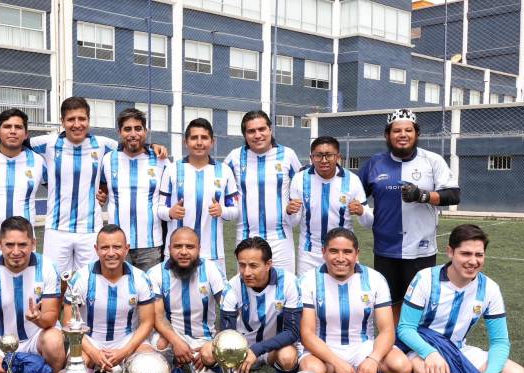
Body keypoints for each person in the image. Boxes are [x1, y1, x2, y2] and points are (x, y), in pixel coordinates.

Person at [0, 97, 167, 274]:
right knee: (53, 284)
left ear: (88, 120)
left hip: (90, 230)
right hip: (56, 229)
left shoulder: (104, 144)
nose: (77, 124)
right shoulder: (48, 143)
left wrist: (152, 146)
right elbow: (16, 140)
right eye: (71, 119)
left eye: (82, 119)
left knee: (88, 284)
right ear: (62, 122)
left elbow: (131, 144)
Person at [397, 224, 524, 373]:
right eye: (465, 253)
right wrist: (431, 353)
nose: (473, 261)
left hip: (458, 349)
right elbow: (405, 328)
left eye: (479, 255)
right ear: (450, 252)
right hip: (421, 348)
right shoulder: (425, 279)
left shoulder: (490, 289)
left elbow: (500, 342)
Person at [358, 108, 460, 321]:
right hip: (386, 250)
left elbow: (453, 194)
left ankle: (416, 348)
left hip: (421, 249)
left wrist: (422, 195)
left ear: (416, 134)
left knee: (419, 305)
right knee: (389, 303)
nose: (402, 134)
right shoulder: (375, 163)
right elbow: (355, 191)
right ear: (388, 135)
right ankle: (394, 346)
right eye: (396, 131)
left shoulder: (433, 161)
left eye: (408, 130)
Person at [299, 228, 411, 373]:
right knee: (313, 371)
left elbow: (387, 330)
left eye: (347, 252)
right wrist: (337, 363)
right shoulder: (308, 280)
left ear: (357, 254)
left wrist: (373, 359)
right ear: (323, 252)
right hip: (323, 347)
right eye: (334, 251)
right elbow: (307, 334)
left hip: (362, 346)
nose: (340, 258)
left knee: (402, 367)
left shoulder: (375, 279)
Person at [205, 236, 302, 373]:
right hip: (242, 348)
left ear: (268, 264)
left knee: (288, 356)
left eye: (253, 265)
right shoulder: (232, 288)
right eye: (242, 265)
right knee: (207, 353)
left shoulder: (289, 282)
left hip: (275, 347)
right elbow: (226, 339)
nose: (246, 272)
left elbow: (293, 332)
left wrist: (257, 349)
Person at [0, 216, 65, 373]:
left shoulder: (47, 267)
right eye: (9, 245)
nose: (16, 251)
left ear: (33, 243)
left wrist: (38, 319)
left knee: (54, 341)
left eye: (22, 245)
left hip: (36, 336)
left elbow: (51, 319)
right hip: (2, 339)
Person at [63, 224, 156, 373]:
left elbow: (147, 322)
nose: (111, 253)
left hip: (127, 340)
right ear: (96, 249)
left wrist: (124, 351)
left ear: (126, 249)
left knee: (148, 364)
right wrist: (93, 353)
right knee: (76, 370)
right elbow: (68, 322)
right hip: (90, 341)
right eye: (105, 247)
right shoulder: (81, 278)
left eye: (117, 247)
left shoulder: (140, 278)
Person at [147, 227, 226, 373]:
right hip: (169, 337)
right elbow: (157, 317)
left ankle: (201, 367)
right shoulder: (155, 274)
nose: (183, 252)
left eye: (190, 247)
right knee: (158, 352)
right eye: (178, 246)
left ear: (199, 248)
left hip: (203, 340)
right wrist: (176, 342)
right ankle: (169, 368)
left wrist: (213, 344)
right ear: (169, 249)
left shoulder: (211, 269)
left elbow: (228, 311)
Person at [224, 110, 301, 274]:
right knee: (248, 286)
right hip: (246, 235)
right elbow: (218, 181)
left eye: (262, 129)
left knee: (284, 285)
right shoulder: (234, 157)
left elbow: (303, 183)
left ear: (270, 130)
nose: (257, 135)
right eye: (251, 131)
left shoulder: (288, 155)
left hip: (280, 238)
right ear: (245, 135)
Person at [158, 118, 239, 274]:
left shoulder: (224, 171)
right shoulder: (172, 169)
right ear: (185, 142)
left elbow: (234, 211)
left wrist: (222, 210)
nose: (199, 142)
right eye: (194, 138)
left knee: (215, 298)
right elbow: (159, 208)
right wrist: (170, 212)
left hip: (213, 254)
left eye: (204, 138)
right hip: (177, 253)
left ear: (212, 141)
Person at [288, 136, 373, 276]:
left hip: (342, 252)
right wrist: (290, 211)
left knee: (345, 293)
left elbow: (369, 223)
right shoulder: (299, 179)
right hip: (309, 253)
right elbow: (293, 222)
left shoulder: (352, 180)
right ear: (311, 157)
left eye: (329, 155)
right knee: (307, 293)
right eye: (318, 156)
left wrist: (362, 211)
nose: (323, 160)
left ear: (338, 157)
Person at [99, 108, 170, 272]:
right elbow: (101, 188)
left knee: (151, 293)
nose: (133, 134)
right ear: (119, 132)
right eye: (127, 129)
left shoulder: (161, 160)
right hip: (116, 245)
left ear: (146, 131)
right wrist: (101, 195)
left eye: (138, 128)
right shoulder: (108, 159)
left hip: (150, 245)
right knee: (120, 292)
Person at [0, 108, 47, 260]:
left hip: (23, 244)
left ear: (26, 134)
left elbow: (59, 188)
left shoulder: (38, 161)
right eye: (7, 127)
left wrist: (101, 190)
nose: (13, 131)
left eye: (18, 127)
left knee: (24, 284)